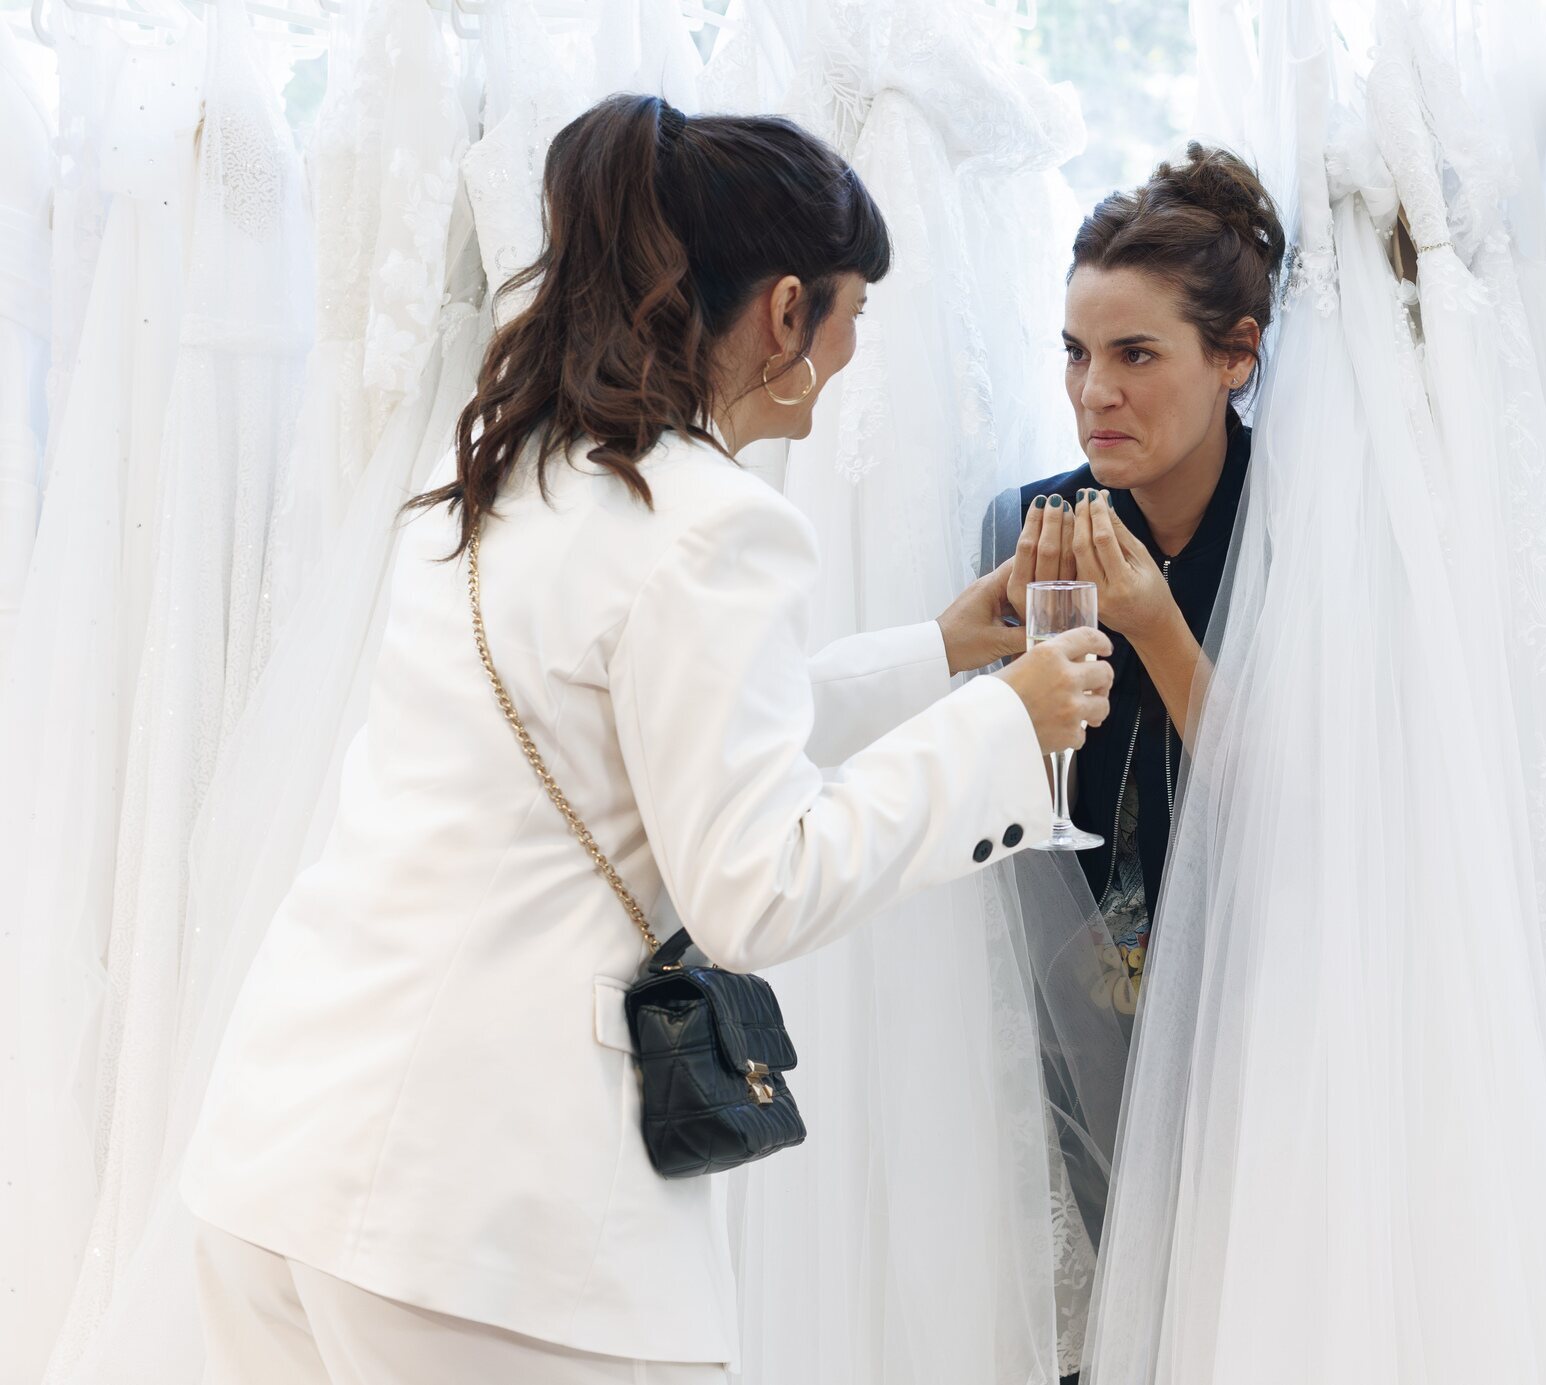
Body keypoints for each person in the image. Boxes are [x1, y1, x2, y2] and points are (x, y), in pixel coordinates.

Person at [177, 95, 1111, 1384]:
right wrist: (1005, 729)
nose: (848, 355)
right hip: (488, 1215)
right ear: (787, 310)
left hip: (290, 1149)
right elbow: (754, 885)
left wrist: (940, 652)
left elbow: (641, 742)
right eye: (852, 314)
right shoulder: (713, 520)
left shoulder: (523, 471)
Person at [1000, 142, 1283, 1017]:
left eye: (1136, 355)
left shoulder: (1292, 540)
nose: (1094, 394)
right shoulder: (1036, 523)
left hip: (1256, 992)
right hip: (1067, 1005)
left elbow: (1295, 807)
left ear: (1235, 355)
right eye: (1077, 353)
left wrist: (1156, 626)